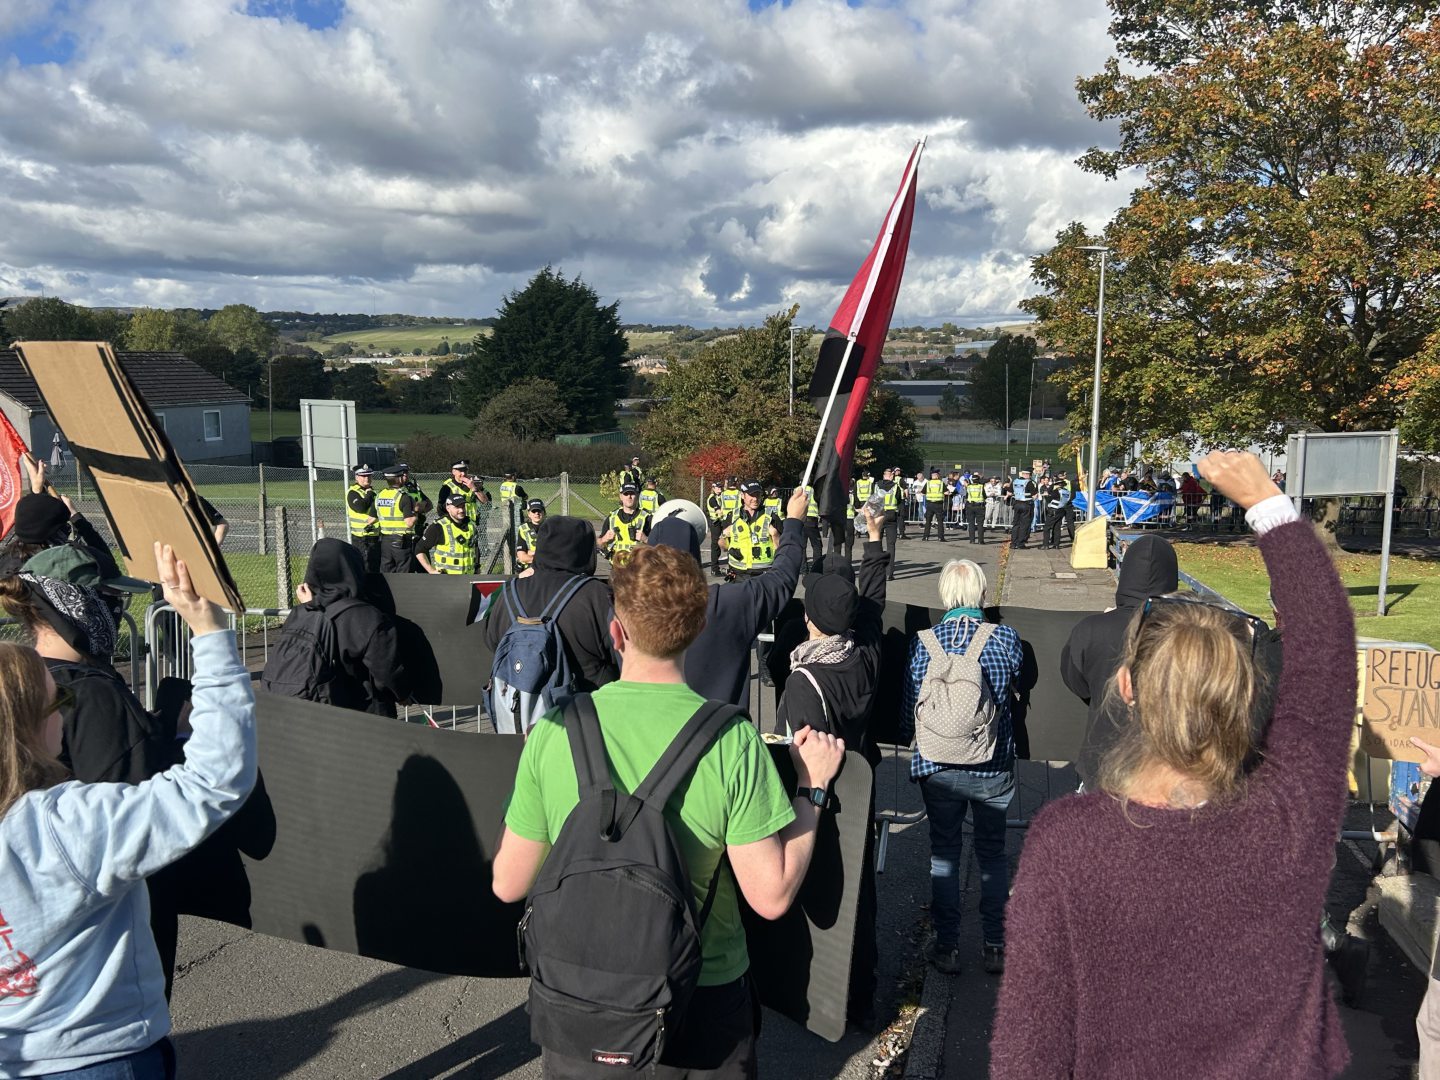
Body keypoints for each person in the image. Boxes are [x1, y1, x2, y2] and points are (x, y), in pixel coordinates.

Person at [991, 451, 1357, 1078]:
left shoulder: (1068, 840)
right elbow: (1327, 660)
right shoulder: (1288, 821)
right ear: (1244, 694)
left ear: (1127, 686)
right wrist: (1268, 503)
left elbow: (1030, 1047)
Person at [493, 543, 846, 1078]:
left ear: (617, 631)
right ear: (698, 628)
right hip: (700, 1001)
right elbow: (770, 896)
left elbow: (508, 884)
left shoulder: (554, 731)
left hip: (578, 1002)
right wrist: (813, 788)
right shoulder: (732, 740)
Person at [0, 542, 254, 1080]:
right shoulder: (66, 824)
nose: (64, 716)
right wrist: (210, 635)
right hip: (99, 1047)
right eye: (56, 704)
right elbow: (207, 786)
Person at [774, 507, 889, 1025]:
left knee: (817, 895)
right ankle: (862, 995)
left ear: (809, 620)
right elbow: (873, 606)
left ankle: (815, 996)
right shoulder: (865, 654)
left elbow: (796, 748)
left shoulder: (803, 681)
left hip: (820, 797)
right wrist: (875, 540)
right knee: (860, 897)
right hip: (863, 786)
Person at [900, 559, 1022, 978]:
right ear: (982, 595)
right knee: (992, 855)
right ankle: (994, 945)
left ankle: (948, 946)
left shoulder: (924, 643)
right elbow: (1007, 696)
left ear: (945, 595)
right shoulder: (1005, 638)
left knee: (944, 855)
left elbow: (911, 706)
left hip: (937, 763)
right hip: (991, 762)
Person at [649, 488, 808, 706]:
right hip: (721, 732)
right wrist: (793, 524)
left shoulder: (624, 611)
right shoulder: (724, 604)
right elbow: (782, 578)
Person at [1059, 535, 1178, 789]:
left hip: (1104, 761)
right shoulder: (1190, 633)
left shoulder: (1091, 629)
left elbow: (1076, 681)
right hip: (1169, 767)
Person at [269, 538, 412, 717]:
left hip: (318, 712)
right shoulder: (366, 616)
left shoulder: (302, 611)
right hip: (365, 714)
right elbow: (386, 670)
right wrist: (403, 694)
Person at [482, 516, 619, 699]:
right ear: (585, 550)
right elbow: (623, 653)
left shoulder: (509, 592)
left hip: (522, 714)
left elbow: (492, 640)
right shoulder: (598, 595)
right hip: (586, 713)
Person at [719, 482, 780, 578]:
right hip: (738, 574)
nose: (755, 499)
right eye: (751, 495)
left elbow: (783, 548)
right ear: (742, 495)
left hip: (764, 574)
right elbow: (724, 547)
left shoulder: (771, 517)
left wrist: (775, 535)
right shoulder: (732, 516)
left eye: (758, 495)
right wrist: (724, 535)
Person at [375, 464, 424, 573]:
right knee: (404, 574)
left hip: (385, 541)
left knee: (387, 573)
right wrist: (416, 511)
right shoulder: (404, 497)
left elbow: (371, 519)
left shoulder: (379, 495)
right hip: (401, 542)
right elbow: (409, 523)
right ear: (400, 478)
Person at [415, 494, 478, 575]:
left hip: (468, 578)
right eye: (457, 507)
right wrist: (431, 570)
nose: (461, 510)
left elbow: (475, 549)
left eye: (463, 506)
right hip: (446, 579)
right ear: (448, 508)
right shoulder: (439, 526)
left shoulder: (471, 525)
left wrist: (477, 568)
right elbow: (419, 549)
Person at [597, 483, 652, 564]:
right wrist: (604, 539)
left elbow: (659, 546)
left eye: (632, 494)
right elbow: (599, 543)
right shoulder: (612, 517)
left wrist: (646, 539)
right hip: (617, 568)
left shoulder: (646, 518)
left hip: (639, 568)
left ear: (637, 495)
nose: (629, 497)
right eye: (626, 494)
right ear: (621, 496)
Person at [346, 464, 382, 573]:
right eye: (363, 476)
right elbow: (361, 507)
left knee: (375, 568)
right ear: (357, 477)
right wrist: (369, 494)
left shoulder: (373, 492)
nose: (367, 478)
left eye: (369, 476)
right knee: (365, 568)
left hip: (376, 537)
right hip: (361, 538)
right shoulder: (353, 492)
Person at [876, 468, 902, 575]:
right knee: (891, 545)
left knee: (877, 543)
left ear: (883, 475)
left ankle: (878, 570)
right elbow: (899, 500)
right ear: (891, 476)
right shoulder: (896, 487)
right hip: (891, 516)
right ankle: (889, 573)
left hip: (879, 515)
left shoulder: (877, 486)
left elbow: (873, 500)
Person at [1043, 472, 1073, 549]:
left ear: (1058, 484)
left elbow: (1049, 499)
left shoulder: (1057, 491)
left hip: (1054, 510)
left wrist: (1046, 495)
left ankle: (1045, 545)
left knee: (1047, 527)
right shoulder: (1067, 492)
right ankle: (1056, 544)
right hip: (1061, 510)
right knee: (1057, 527)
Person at [516, 498, 546, 569]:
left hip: (547, 569)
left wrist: (531, 552)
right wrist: (543, 558)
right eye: (534, 511)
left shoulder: (552, 527)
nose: (537, 513)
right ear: (529, 514)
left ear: (544, 512)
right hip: (530, 568)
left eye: (539, 511)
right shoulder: (523, 529)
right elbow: (522, 557)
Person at [706, 480, 728, 576]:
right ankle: (714, 569)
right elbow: (718, 511)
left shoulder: (721, 496)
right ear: (713, 488)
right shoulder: (712, 499)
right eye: (717, 487)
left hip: (721, 522)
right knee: (715, 546)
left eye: (720, 487)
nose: (720, 489)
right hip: (715, 523)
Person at [921, 469, 948, 542]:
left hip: (930, 504)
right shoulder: (941, 483)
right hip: (938, 504)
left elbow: (923, 493)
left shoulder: (928, 483)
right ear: (937, 475)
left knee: (928, 521)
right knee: (940, 521)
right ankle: (940, 537)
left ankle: (925, 537)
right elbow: (946, 492)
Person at [1010, 468, 1034, 548]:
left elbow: (1010, 492)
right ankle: (1020, 543)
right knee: (1024, 524)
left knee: (1016, 524)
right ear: (1027, 475)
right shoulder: (1029, 482)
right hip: (1026, 505)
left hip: (1017, 504)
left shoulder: (1015, 481)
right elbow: (1034, 494)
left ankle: (1013, 543)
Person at [963, 471, 987, 545]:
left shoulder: (969, 487)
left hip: (970, 506)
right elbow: (984, 496)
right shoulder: (981, 487)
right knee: (980, 524)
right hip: (979, 506)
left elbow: (967, 496)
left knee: (971, 524)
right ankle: (980, 540)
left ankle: (972, 540)